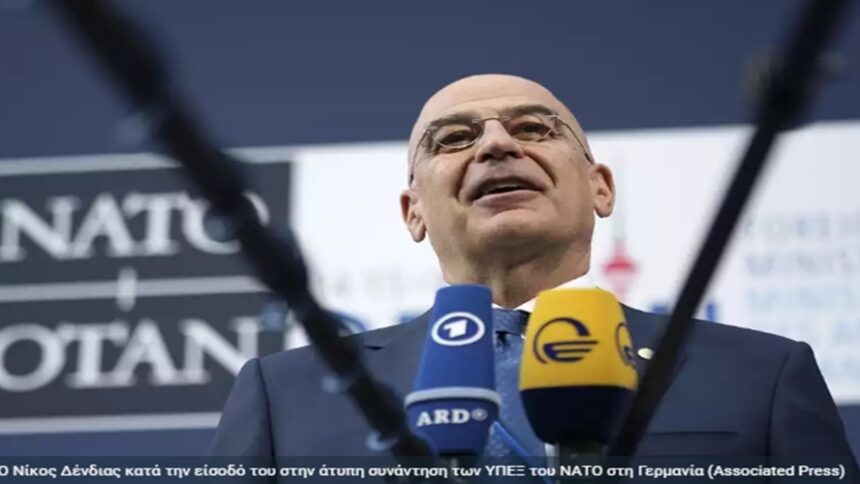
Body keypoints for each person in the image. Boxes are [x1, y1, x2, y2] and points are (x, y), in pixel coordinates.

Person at [213, 74, 857, 469]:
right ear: (413, 212)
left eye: (534, 128)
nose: (497, 144)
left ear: (601, 187)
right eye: (453, 139)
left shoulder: (762, 374)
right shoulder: (286, 395)